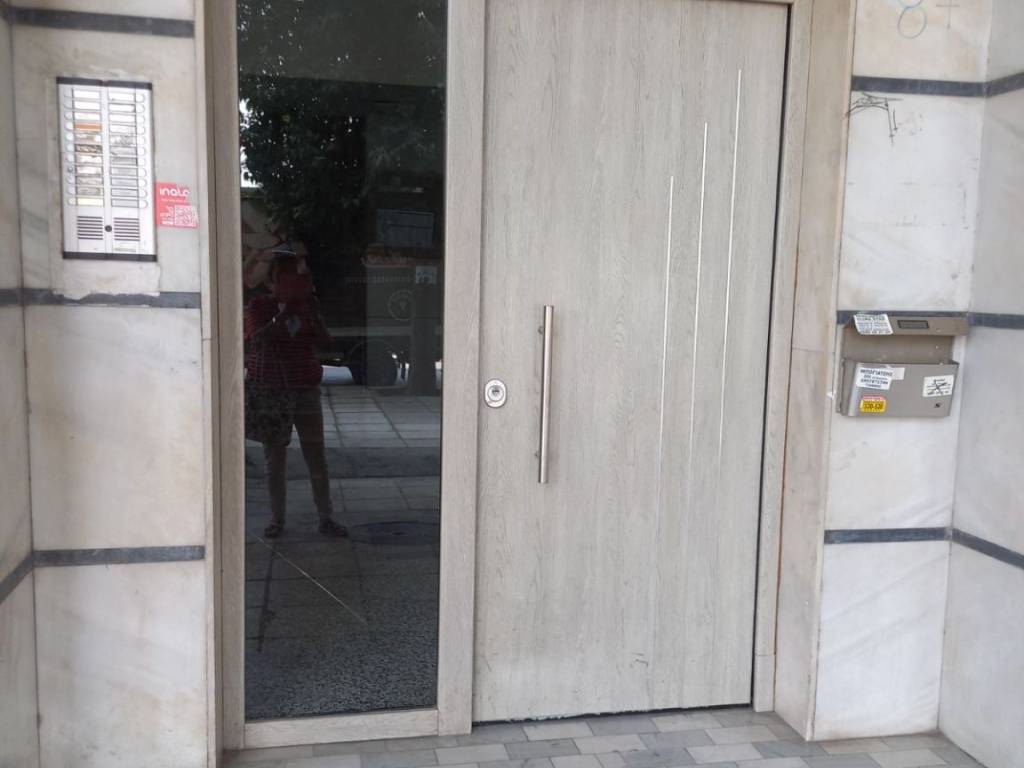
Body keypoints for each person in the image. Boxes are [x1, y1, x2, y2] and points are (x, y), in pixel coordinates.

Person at [244, 250, 348, 539]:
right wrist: (284, 314)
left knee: (316, 457)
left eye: (298, 278)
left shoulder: (308, 306)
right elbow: (257, 339)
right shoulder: (259, 306)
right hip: (272, 392)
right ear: (272, 282)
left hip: (305, 390)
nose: (292, 283)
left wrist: (311, 313)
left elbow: (326, 343)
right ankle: (277, 519)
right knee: (275, 461)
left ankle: (326, 517)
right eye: (285, 278)